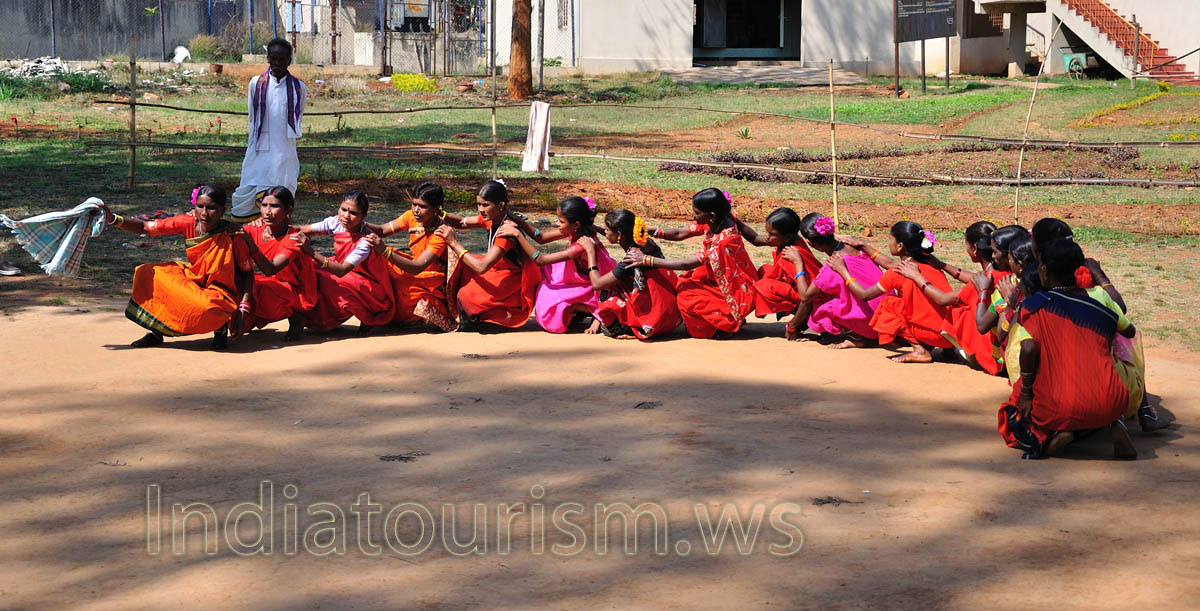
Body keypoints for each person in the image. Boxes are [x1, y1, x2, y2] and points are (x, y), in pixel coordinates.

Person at [997, 237, 1138, 460]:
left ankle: (1059, 433)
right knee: (1097, 398)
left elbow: (1029, 347)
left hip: (1059, 406)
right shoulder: (1100, 301)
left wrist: (1025, 392)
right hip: (1114, 401)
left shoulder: (1035, 306)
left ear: (1043, 271)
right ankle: (1115, 423)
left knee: (1014, 412)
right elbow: (1129, 331)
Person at [1030, 217, 1163, 432]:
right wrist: (1100, 275)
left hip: (1051, 348)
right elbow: (1120, 311)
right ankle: (1144, 409)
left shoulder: (1038, 271)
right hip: (1085, 343)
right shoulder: (1079, 275)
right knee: (1128, 338)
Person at [97, 185, 253, 349]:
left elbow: (248, 273)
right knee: (148, 272)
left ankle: (220, 328)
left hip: (221, 292)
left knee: (207, 308)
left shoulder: (234, 235)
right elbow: (145, 227)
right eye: (200, 206)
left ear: (223, 210)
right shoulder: (188, 223)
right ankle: (154, 331)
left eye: (212, 208)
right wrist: (112, 218)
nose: (204, 213)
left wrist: (243, 309)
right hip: (195, 280)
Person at [635, 188, 759, 339]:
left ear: (711, 216)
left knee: (686, 297)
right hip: (723, 274)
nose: (694, 216)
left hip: (731, 286)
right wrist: (652, 231)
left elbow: (686, 264)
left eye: (697, 213)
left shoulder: (721, 241)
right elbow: (681, 233)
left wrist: (647, 260)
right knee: (687, 281)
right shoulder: (720, 219)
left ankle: (726, 325)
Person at [830, 221, 953, 363]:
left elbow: (864, 295)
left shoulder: (898, 271)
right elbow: (889, 263)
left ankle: (920, 350)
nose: (888, 243)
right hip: (951, 335)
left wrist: (843, 271)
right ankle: (948, 351)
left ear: (900, 246)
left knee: (889, 304)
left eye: (890, 239)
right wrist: (863, 245)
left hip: (935, 335)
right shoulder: (931, 264)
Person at [905, 222, 1019, 375]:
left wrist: (917, 276)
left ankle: (971, 354)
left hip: (995, 357)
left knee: (958, 310)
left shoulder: (986, 281)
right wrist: (942, 265)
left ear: (974, 249)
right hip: (1009, 341)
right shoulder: (1003, 273)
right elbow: (974, 278)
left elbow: (942, 299)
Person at [496, 196, 617, 333]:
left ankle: (590, 309)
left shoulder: (581, 244)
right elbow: (540, 237)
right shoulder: (575, 229)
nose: (557, 223)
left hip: (595, 285)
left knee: (546, 295)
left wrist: (518, 234)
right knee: (545, 277)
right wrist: (516, 219)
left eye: (561, 221)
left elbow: (541, 260)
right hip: (583, 278)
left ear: (575, 224)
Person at [437, 180, 540, 330]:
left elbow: (481, 267)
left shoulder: (506, 232)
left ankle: (493, 315)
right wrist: (440, 213)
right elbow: (461, 222)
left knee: (466, 296)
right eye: (478, 204)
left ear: (501, 206)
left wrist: (454, 243)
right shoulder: (493, 219)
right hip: (498, 269)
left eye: (485, 205)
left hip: (512, 279)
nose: (480, 209)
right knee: (459, 268)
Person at [231, 39, 307, 222]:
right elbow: (252, 117)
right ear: (268, 59)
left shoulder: (299, 87)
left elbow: (298, 116)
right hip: (259, 150)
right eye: (274, 59)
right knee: (250, 187)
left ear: (289, 61)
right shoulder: (255, 84)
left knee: (282, 190)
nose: (278, 63)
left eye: (283, 59)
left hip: (284, 150)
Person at [298, 191, 395, 333]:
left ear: (363, 217)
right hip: (346, 272)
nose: (346, 216)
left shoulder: (365, 241)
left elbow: (342, 270)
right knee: (308, 268)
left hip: (367, 284)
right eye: (343, 210)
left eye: (353, 213)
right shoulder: (336, 222)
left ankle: (365, 311)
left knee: (326, 279)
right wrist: (269, 226)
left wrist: (311, 252)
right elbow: (302, 229)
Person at [368, 182, 458, 332]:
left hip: (433, 279)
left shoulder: (441, 233)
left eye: (422, 206)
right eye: (413, 204)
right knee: (376, 261)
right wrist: (358, 223)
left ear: (436, 209)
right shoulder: (411, 216)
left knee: (399, 280)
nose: (416, 210)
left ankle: (396, 317)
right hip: (416, 268)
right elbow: (382, 230)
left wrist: (385, 251)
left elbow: (418, 268)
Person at [582, 209, 680, 340]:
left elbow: (597, 284)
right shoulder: (646, 243)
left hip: (655, 318)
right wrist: (595, 228)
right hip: (671, 313)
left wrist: (590, 252)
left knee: (608, 297)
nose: (604, 231)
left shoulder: (631, 258)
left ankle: (637, 326)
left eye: (607, 229)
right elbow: (614, 235)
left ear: (619, 235)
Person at [237, 186, 318, 340]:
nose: (267, 212)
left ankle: (296, 315)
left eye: (274, 206)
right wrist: (197, 217)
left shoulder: (294, 238)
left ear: (289, 211)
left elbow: (271, 270)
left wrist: (252, 247)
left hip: (295, 289)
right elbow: (231, 233)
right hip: (269, 283)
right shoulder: (255, 229)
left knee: (261, 291)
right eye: (264, 205)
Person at [737, 207, 822, 339]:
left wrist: (792, 326)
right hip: (804, 292)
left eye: (771, 234)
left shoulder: (791, 256)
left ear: (786, 237)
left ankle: (809, 321)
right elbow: (755, 239)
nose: (767, 236)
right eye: (766, 232)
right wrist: (736, 222)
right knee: (765, 270)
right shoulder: (788, 239)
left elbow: (808, 299)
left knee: (765, 287)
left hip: (816, 301)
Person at [799, 214, 883, 348]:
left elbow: (805, 296)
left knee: (824, 307)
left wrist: (798, 263)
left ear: (811, 243)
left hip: (873, 323)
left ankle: (861, 336)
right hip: (888, 314)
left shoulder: (833, 266)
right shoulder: (857, 246)